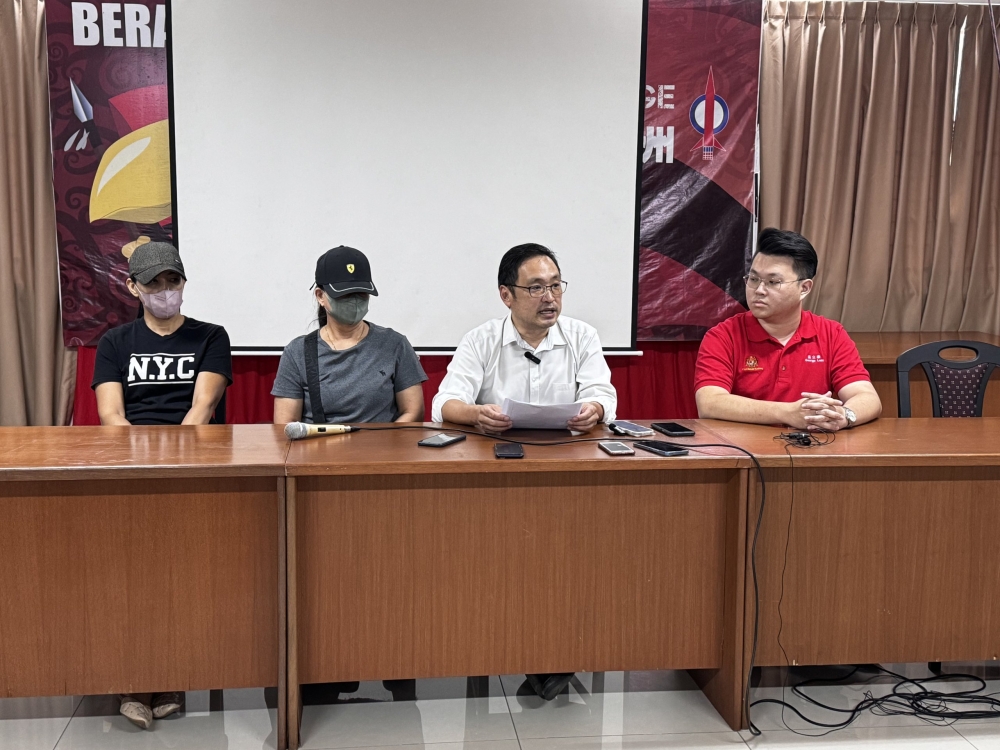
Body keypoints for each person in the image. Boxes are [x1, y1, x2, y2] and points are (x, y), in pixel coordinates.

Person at [432, 242, 617, 701]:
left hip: (568, 478)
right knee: (504, 562)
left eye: (556, 286)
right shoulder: (481, 340)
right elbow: (443, 403)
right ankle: (515, 645)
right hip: (499, 481)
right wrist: (477, 415)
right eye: (535, 288)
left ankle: (554, 650)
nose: (549, 297)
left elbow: (604, 394)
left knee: (568, 563)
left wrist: (592, 408)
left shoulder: (581, 336)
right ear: (506, 295)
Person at [92, 238, 232, 728]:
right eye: (155, 283)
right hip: (133, 471)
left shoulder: (211, 337)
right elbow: (112, 416)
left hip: (194, 470)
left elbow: (202, 411)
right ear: (134, 287)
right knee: (131, 580)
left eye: (173, 281)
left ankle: (172, 674)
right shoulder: (115, 343)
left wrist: (173, 467)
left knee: (183, 577)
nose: (166, 290)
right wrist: (144, 469)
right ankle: (133, 680)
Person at [695, 228, 881, 430]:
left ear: (804, 288)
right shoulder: (723, 336)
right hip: (746, 455)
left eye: (773, 282)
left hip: (810, 451)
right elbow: (709, 402)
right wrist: (787, 413)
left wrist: (844, 415)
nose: (759, 290)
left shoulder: (831, 333)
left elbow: (867, 397)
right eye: (754, 279)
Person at [272, 245, 426, 425]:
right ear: (321, 296)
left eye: (361, 293)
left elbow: (413, 412)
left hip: (380, 450)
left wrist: (384, 444)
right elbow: (286, 424)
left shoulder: (395, 344)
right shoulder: (297, 352)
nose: (354, 301)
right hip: (319, 451)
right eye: (344, 294)